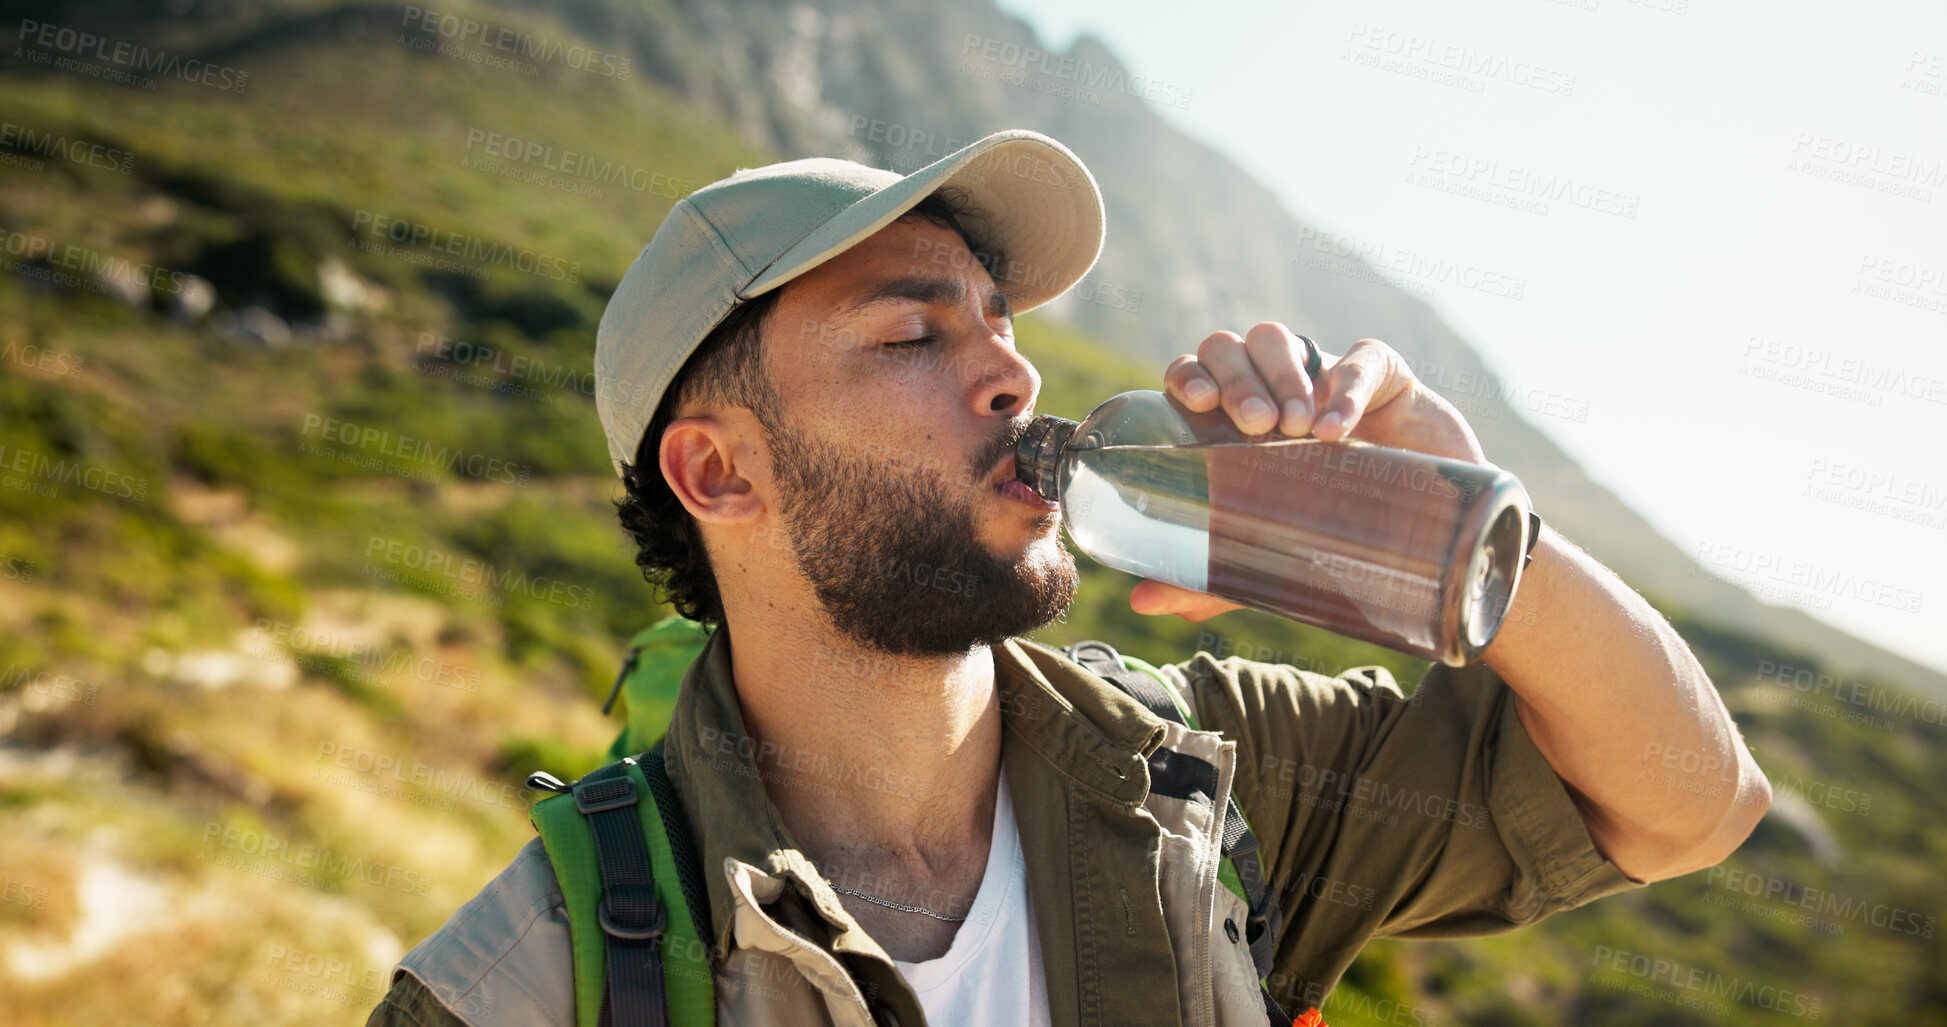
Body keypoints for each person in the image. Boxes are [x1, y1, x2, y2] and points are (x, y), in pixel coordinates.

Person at [365, 129, 1769, 1027]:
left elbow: (1685, 810)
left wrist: (1455, 511)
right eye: (912, 335)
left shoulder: (1210, 778)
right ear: (720, 475)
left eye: (1000, 321)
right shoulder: (531, 987)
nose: (1014, 370)